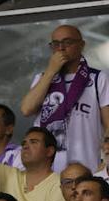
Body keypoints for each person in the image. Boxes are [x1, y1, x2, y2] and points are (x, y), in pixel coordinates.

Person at [20, 24, 109, 173]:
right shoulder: (42, 78)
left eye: (67, 42)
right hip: (48, 170)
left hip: (88, 167)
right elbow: (26, 109)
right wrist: (51, 71)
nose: (60, 48)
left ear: (81, 45)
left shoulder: (98, 78)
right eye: (55, 44)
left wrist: (105, 161)